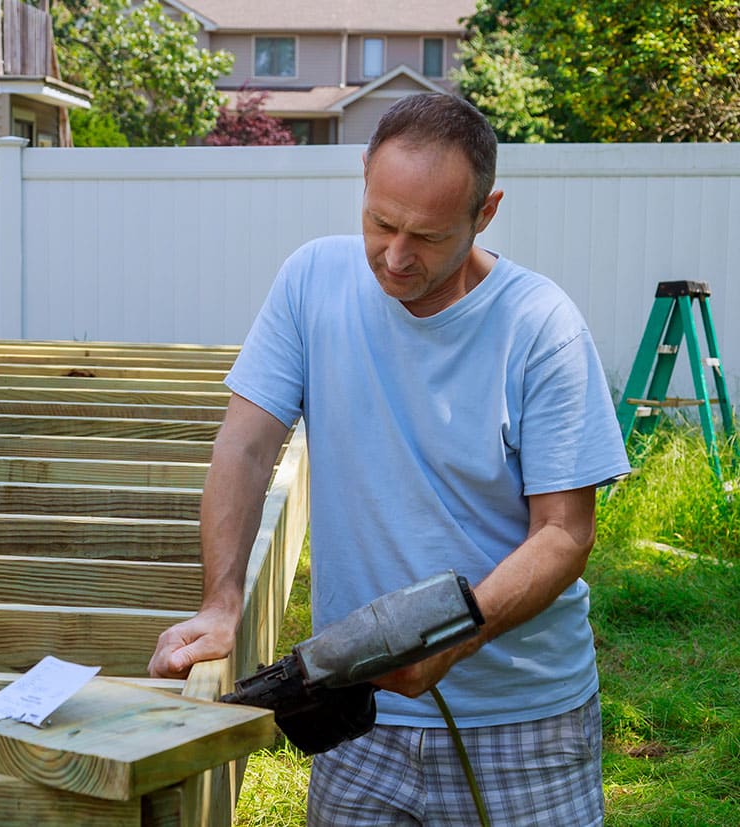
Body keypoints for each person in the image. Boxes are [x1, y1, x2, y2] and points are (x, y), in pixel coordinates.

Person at [147, 93, 631, 826]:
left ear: (486, 211)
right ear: (364, 175)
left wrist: (457, 637)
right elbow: (245, 448)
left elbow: (564, 533)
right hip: (358, 710)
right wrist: (222, 604)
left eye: (429, 236)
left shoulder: (541, 326)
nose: (397, 256)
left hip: (524, 718)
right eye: (381, 222)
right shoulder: (313, 281)